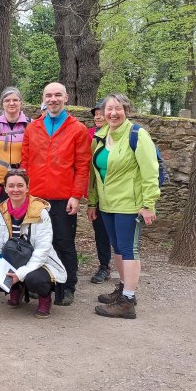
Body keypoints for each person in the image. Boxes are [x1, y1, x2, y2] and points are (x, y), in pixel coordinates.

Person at [88, 94, 160, 319]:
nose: (113, 113)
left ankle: (128, 301)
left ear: (126, 110)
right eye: (109, 109)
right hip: (107, 204)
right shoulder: (100, 136)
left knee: (129, 249)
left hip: (130, 205)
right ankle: (123, 289)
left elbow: (150, 172)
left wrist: (149, 204)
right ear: (103, 112)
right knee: (117, 248)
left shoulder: (137, 135)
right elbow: (94, 174)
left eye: (118, 108)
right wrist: (92, 202)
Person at [21, 82, 90, 306]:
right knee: (35, 242)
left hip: (63, 198)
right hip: (36, 197)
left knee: (63, 242)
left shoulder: (77, 129)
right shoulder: (33, 128)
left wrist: (76, 195)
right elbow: (25, 161)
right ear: (43, 99)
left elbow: (82, 165)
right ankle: (40, 284)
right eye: (49, 95)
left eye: (57, 95)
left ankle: (67, 286)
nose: (53, 99)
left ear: (66, 98)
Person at [0, 169, 67, 319]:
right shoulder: (0, 210)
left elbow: (43, 248)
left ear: (27, 187)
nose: (15, 190)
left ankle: (44, 297)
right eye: (11, 186)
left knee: (34, 279)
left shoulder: (40, 211)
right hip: (13, 257)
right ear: (5, 188)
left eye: (20, 185)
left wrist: (21, 273)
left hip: (40, 261)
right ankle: (16, 289)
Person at [0, 86, 31, 201]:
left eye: (15, 100)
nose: (11, 103)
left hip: (22, 181)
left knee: (21, 216)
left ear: (21, 103)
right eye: (7, 100)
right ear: (2, 104)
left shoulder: (30, 124)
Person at [87, 100, 112, 284]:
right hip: (99, 195)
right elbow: (91, 173)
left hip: (123, 197)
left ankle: (127, 278)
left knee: (121, 238)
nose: (98, 116)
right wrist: (91, 201)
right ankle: (104, 266)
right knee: (101, 233)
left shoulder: (127, 136)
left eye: (100, 113)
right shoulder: (91, 137)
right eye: (95, 113)